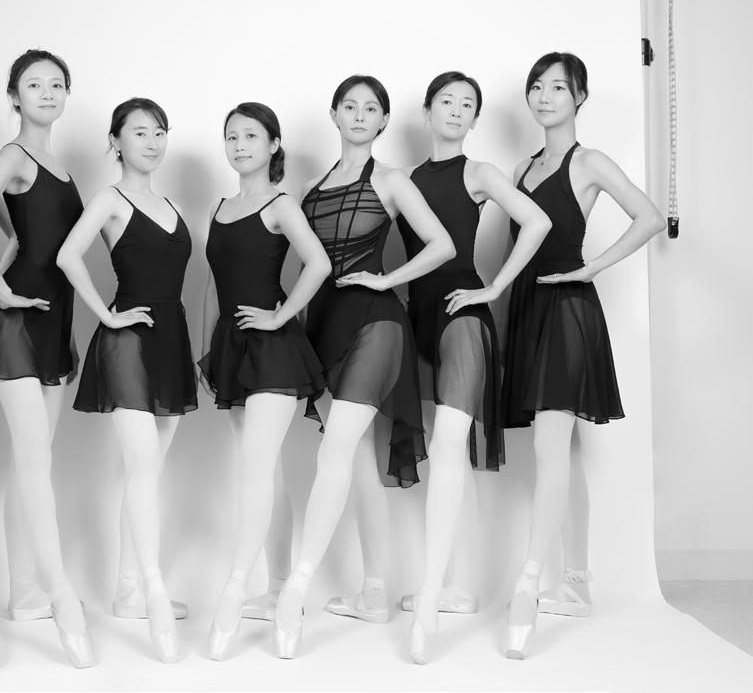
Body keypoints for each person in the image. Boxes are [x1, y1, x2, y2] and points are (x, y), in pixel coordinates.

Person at [273, 75, 455, 659]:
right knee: (352, 462)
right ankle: (374, 592)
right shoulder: (309, 188)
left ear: (383, 121)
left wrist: (386, 279)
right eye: (349, 106)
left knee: (335, 449)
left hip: (378, 323)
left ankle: (295, 589)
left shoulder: (392, 180)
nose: (358, 115)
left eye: (370, 108)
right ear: (334, 114)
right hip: (323, 328)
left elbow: (442, 245)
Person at [501, 52, 664, 659]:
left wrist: (591, 267)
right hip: (527, 311)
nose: (544, 97)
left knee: (550, 447)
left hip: (568, 312)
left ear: (579, 98)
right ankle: (576, 585)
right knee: (558, 453)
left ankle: (528, 584)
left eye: (557, 88)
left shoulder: (588, 162)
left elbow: (649, 217)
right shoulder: (521, 168)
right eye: (536, 87)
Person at [394, 71, 549, 663]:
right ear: (427, 111)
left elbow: (538, 222)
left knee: (449, 443)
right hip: (415, 317)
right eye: (447, 101)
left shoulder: (479, 173)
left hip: (462, 313)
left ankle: (431, 600)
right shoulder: (405, 180)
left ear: (475, 119)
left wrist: (495, 289)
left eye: (467, 105)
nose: (456, 111)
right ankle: (459, 585)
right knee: (444, 454)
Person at [0, 49, 93, 668]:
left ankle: (23, 591)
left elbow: (24, 239)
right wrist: (2, 290)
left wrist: (6, 271)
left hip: (54, 323)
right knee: (35, 461)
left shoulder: (61, 168)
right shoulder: (13, 157)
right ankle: (60, 594)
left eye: (56, 84)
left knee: (32, 463)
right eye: (34, 85)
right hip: (15, 325)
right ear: (14, 97)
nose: (47, 93)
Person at [58, 97, 195, 663]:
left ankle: (127, 589)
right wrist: (107, 316)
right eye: (140, 132)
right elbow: (69, 257)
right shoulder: (109, 199)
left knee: (149, 471)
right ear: (116, 141)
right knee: (141, 466)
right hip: (128, 340)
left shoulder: (171, 203)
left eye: (160, 131)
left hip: (170, 340)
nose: (153, 141)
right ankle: (154, 592)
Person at [199, 102, 330, 660]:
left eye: (251, 136)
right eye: (232, 137)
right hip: (231, 348)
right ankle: (277, 590)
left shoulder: (281, 205)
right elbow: (214, 282)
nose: (240, 145)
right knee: (264, 472)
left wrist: (280, 316)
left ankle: (235, 588)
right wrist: (206, 351)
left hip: (273, 349)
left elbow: (318, 264)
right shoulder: (221, 207)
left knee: (255, 469)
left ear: (274, 144)